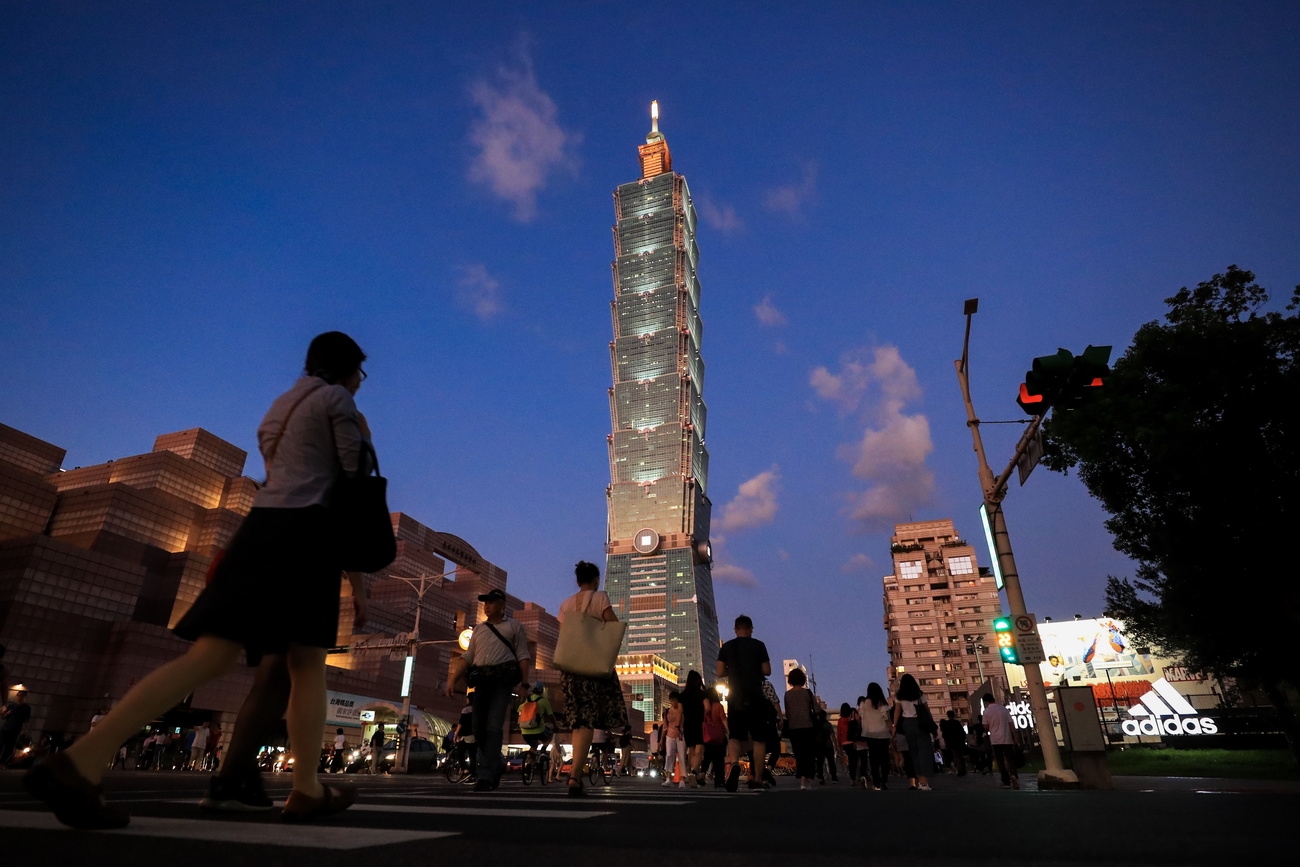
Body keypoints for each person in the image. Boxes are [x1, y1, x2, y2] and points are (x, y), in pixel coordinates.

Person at [24, 332, 373, 828]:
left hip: (259, 532)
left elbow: (282, 476)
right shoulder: (339, 401)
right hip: (307, 537)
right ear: (350, 369)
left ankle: (80, 761)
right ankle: (307, 789)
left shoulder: (282, 406)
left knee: (210, 655)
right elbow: (346, 488)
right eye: (361, 372)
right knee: (307, 660)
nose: (361, 382)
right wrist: (357, 578)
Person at [554, 560, 628, 797]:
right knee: (586, 720)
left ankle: (575, 772)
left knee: (577, 721)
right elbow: (614, 627)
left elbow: (566, 636)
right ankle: (575, 776)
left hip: (570, 668)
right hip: (591, 667)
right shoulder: (600, 598)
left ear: (577, 581)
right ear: (596, 580)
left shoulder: (565, 604)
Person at [447, 587, 531, 791]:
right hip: (481, 683)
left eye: (491, 602)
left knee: (494, 726)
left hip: (502, 682)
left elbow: (522, 656)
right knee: (477, 728)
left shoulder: (514, 627)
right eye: (485, 603)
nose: (487, 606)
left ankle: (485, 774)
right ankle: (498, 764)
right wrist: (452, 680)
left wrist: (524, 685)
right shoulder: (479, 629)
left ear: (502, 606)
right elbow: (467, 657)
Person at [716, 614, 775, 792]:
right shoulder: (759, 645)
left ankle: (734, 764)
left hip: (735, 698)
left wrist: (732, 670)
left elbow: (719, 672)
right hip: (755, 696)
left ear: (735, 629)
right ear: (751, 629)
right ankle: (757, 778)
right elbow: (767, 670)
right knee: (758, 739)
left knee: (735, 736)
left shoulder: (726, 647)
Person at [892, 673, 935, 791]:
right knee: (924, 752)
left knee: (914, 752)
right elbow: (927, 709)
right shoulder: (919, 694)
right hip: (920, 723)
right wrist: (931, 723)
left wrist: (894, 726)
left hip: (907, 724)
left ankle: (920, 780)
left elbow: (897, 711)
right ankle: (924, 782)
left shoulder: (899, 695)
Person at [783, 668, 817, 790]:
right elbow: (816, 709)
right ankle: (806, 778)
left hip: (793, 727)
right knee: (809, 753)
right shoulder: (807, 693)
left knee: (799, 753)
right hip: (808, 727)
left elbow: (787, 713)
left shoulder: (787, 694)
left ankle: (803, 779)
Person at [858, 683, 892, 790]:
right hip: (883, 734)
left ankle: (876, 783)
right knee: (884, 759)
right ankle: (884, 781)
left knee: (873, 759)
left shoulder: (863, 704)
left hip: (869, 734)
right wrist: (893, 733)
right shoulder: (882, 703)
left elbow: (860, 717)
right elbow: (888, 720)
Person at [981, 693, 1020, 789]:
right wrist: (1015, 737)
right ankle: (1013, 775)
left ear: (986, 702)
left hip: (995, 740)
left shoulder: (986, 712)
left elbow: (985, 726)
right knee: (1010, 759)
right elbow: (1011, 724)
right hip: (1007, 738)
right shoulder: (1004, 709)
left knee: (1000, 761)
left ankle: (1006, 781)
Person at [679, 670, 708, 788]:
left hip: (688, 724)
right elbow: (708, 708)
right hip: (699, 723)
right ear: (697, 681)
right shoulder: (702, 694)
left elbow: (680, 712)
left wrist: (679, 726)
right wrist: (704, 715)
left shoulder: (683, 695)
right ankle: (694, 772)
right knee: (699, 749)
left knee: (691, 749)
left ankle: (692, 773)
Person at [518, 682, 557, 761]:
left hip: (525, 732)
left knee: (534, 745)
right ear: (542, 691)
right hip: (539, 731)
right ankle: (543, 750)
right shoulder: (543, 701)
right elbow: (550, 716)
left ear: (532, 691)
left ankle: (529, 765)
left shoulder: (526, 701)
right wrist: (555, 726)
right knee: (549, 734)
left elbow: (519, 714)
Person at [699, 685, 729, 787]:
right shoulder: (718, 706)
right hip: (718, 736)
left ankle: (702, 773)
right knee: (719, 759)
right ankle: (719, 780)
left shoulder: (705, 707)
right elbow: (724, 720)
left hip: (707, 736)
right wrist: (729, 731)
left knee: (707, 756)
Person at [1, 688, 32, 766]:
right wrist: (7, 713)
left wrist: (25, 730)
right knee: (1, 744)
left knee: (9, 747)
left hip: (15, 729)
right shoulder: (12, 706)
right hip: (6, 728)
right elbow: (3, 716)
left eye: (22, 696)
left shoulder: (27, 708)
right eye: (19, 696)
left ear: (25, 697)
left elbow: (26, 720)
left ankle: (2, 762)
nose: (20, 697)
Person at [662, 690, 686, 787]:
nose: (673, 702)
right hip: (670, 735)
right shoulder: (668, 711)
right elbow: (665, 727)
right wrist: (661, 740)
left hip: (681, 735)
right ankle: (668, 778)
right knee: (669, 755)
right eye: (671, 700)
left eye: (674, 700)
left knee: (682, 757)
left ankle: (682, 779)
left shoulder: (682, 710)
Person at [939, 711, 968, 776]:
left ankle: (960, 769)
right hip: (959, 741)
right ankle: (963, 769)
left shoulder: (947, 724)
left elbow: (945, 735)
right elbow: (962, 732)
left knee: (956, 755)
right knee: (960, 755)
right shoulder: (957, 722)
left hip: (952, 742)